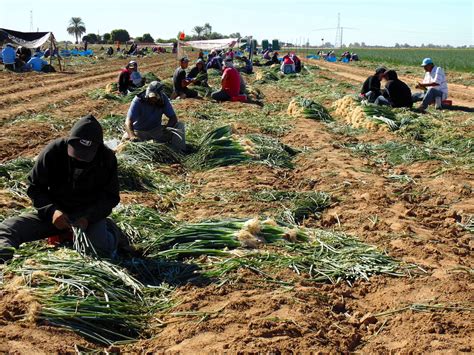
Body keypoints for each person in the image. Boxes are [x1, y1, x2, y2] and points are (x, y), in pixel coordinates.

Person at [0, 115, 121, 262]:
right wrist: (52, 211)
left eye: (86, 155)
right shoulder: (54, 151)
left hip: (87, 217)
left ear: (97, 148)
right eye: (77, 152)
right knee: (9, 228)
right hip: (57, 215)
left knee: (99, 251)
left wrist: (88, 217)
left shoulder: (106, 158)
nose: (79, 158)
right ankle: (4, 261)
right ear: (70, 141)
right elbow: (35, 187)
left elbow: (110, 197)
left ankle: (112, 231)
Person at [125, 81, 186, 152]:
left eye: (154, 98)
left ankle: (179, 151)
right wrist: (132, 136)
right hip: (140, 132)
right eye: (150, 98)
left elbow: (173, 118)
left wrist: (166, 128)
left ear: (160, 96)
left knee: (179, 125)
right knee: (126, 142)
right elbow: (128, 121)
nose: (152, 100)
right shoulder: (138, 100)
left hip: (156, 130)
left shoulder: (163, 99)